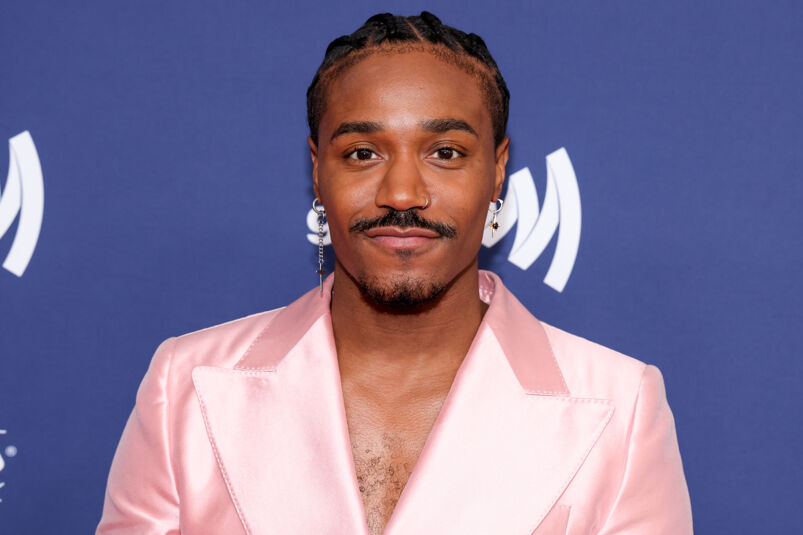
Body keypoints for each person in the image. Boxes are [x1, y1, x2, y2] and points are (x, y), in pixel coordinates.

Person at [96, 12, 692, 535]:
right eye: (362, 153)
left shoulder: (621, 405)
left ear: (498, 170)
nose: (401, 192)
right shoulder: (186, 386)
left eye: (445, 153)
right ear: (316, 169)